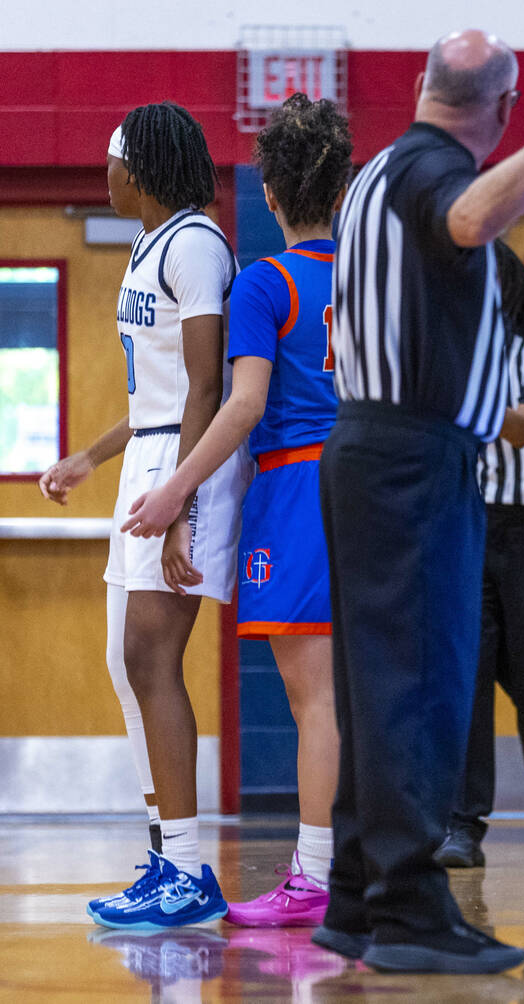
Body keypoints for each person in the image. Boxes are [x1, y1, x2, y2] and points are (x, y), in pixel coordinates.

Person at [316, 30, 524, 974]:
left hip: (373, 451)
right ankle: (412, 913)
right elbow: (467, 217)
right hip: (412, 457)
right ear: (500, 109)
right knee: (421, 682)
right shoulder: (430, 173)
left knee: (377, 687)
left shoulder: (374, 169)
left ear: (422, 85)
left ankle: (356, 901)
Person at [120, 93, 353, 927]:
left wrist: (176, 488)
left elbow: (242, 401)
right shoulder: (362, 279)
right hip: (370, 485)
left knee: (313, 699)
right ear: (340, 186)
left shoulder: (265, 281)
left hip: (298, 487)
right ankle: (346, 865)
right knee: (357, 695)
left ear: (272, 191)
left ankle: (317, 875)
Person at [38, 101, 251, 927]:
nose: (106, 173)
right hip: (150, 456)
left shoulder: (197, 243)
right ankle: (165, 853)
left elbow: (205, 386)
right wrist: (92, 456)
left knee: (151, 658)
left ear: (147, 168)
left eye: (114, 160)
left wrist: (178, 507)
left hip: (182, 467)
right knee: (124, 660)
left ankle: (190, 872)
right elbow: (156, 391)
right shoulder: (149, 244)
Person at [436, 241, 524, 870]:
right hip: (469, 523)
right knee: (469, 677)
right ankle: (464, 824)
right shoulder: (450, 345)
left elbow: (523, 426)